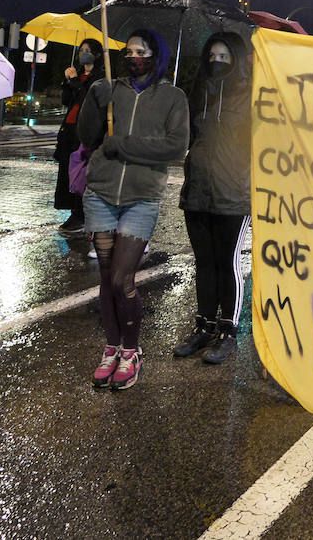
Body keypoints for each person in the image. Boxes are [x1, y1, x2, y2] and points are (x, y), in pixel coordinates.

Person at [77, 30, 188, 391]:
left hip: (141, 199)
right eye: (128, 50)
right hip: (101, 194)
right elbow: (88, 136)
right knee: (105, 277)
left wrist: (124, 146)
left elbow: (174, 147)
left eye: (141, 50)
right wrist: (95, 98)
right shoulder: (112, 89)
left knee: (121, 279)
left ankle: (130, 350)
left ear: (157, 55)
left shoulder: (173, 97)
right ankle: (110, 349)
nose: (132, 55)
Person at [173, 32, 252, 364]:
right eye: (211, 56)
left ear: (235, 59)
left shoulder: (251, 95)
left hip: (234, 193)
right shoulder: (199, 93)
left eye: (224, 56)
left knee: (227, 263)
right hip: (198, 190)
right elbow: (186, 137)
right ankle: (204, 326)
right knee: (204, 263)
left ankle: (228, 331)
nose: (216, 62)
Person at [54, 38, 107, 233]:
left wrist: (75, 81)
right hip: (69, 129)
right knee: (67, 172)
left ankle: (81, 214)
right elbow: (67, 101)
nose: (82, 53)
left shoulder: (100, 77)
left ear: (97, 55)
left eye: (87, 50)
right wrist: (67, 82)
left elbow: (88, 99)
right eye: (81, 50)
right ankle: (72, 211)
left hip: (85, 131)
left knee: (80, 173)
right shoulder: (78, 76)